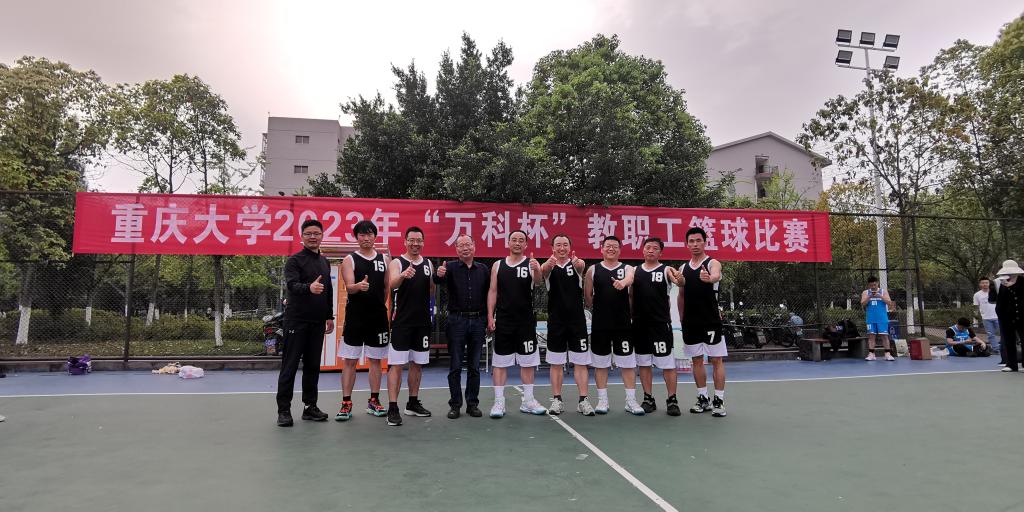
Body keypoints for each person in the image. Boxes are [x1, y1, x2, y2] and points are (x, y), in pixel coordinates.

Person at [275, 219, 335, 427]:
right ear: (302, 237)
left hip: (317, 323)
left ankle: (310, 407)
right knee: (290, 366)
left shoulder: (324, 262)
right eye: (308, 233)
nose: (313, 237)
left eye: (316, 233)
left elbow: (328, 291)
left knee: (312, 366)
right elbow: (292, 285)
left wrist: (329, 316)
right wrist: (309, 288)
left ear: (322, 236)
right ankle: (284, 410)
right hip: (296, 321)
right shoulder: (294, 261)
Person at [486, 230, 548, 418]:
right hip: (504, 321)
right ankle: (499, 402)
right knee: (500, 363)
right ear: (508, 243)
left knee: (527, 362)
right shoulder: (498, 265)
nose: (517, 243)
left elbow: (538, 282)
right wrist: (490, 316)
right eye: (514, 240)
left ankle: (528, 400)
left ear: (526, 245)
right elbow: (493, 291)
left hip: (525, 321)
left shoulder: (530, 264)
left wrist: (537, 269)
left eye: (521, 240)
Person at [584, 235, 645, 416]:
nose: (611, 249)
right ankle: (602, 400)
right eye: (608, 246)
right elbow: (588, 296)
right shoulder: (593, 270)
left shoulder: (627, 268)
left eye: (614, 246)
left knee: (627, 363)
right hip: (600, 325)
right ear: (602, 249)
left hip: (623, 325)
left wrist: (623, 283)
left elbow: (630, 278)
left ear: (619, 250)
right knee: (601, 364)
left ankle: (630, 400)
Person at [336, 220, 391, 421]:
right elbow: (349, 287)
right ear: (356, 237)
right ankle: (346, 403)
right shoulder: (349, 259)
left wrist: (378, 306)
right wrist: (358, 286)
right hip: (355, 317)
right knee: (350, 361)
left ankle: (373, 401)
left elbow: (386, 287)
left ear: (375, 236)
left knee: (376, 360)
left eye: (369, 234)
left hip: (377, 317)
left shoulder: (384, 259)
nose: (366, 238)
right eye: (362, 235)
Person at [433, 234, 490, 419]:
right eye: (461, 245)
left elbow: (490, 294)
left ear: (474, 246)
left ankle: (472, 404)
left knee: (474, 366)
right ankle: (455, 405)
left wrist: (489, 318)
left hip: (478, 321)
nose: (465, 248)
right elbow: (437, 280)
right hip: (456, 321)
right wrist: (438, 274)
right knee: (455, 366)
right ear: (456, 249)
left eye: (468, 244)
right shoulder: (449, 267)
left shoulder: (483, 269)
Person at [384, 226, 434, 426]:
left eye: (419, 240)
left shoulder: (428, 263)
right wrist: (404, 275)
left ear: (423, 242)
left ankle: (412, 403)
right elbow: (392, 284)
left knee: (417, 364)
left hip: (422, 323)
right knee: (396, 365)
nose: (415, 243)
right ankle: (393, 407)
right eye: (411, 240)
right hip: (401, 323)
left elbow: (431, 289)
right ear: (405, 242)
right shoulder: (397, 262)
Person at [540, 234, 594, 416]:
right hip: (556, 323)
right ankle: (557, 400)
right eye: (558, 245)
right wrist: (546, 266)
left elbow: (581, 266)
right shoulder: (548, 267)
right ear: (552, 248)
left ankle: (583, 400)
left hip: (577, 322)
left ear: (570, 248)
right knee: (556, 363)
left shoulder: (577, 265)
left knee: (581, 362)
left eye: (565, 245)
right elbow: (543, 271)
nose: (562, 248)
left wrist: (579, 264)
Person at [679, 227, 728, 418]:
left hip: (711, 321)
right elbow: (681, 296)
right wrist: (682, 318)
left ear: (705, 242)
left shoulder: (712, 263)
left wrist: (709, 278)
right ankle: (703, 398)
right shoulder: (683, 268)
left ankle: (719, 400)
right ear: (687, 244)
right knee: (696, 360)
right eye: (691, 241)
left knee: (716, 360)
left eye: (698, 240)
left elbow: (715, 275)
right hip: (691, 322)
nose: (695, 244)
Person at [632, 237, 682, 416]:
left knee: (667, 364)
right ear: (643, 250)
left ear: (661, 252)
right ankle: (648, 399)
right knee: (644, 363)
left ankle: (672, 400)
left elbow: (679, 281)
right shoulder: (635, 271)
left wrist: (680, 279)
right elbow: (630, 296)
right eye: (648, 247)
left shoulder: (666, 270)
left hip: (660, 325)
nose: (651, 250)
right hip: (640, 325)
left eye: (655, 248)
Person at [994, 260, 1024, 373]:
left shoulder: (1022, 282)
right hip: (1007, 318)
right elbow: (998, 301)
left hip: (1022, 317)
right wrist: (1000, 314)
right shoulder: (1001, 283)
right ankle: (1011, 364)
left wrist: (1012, 286)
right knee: (1008, 341)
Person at [860, 276, 895, 361]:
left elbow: (890, 303)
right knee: (871, 336)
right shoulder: (865, 292)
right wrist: (869, 297)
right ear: (868, 285)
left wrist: (880, 296)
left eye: (874, 285)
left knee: (884, 336)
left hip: (882, 318)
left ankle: (887, 354)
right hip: (871, 318)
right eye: (871, 285)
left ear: (877, 283)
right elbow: (862, 303)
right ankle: (871, 354)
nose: (873, 287)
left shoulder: (883, 291)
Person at [974, 277, 1004, 366]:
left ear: (989, 283)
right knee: (991, 335)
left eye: (986, 283)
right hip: (986, 318)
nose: (985, 284)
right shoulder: (977, 295)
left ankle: (1004, 348)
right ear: (980, 284)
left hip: (998, 317)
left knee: (1003, 333)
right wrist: (975, 319)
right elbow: (976, 307)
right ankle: (996, 349)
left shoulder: (995, 292)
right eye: (983, 283)